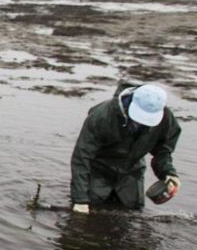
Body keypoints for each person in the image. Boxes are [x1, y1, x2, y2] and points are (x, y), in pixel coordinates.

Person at [70, 83, 181, 213]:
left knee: (134, 211)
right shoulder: (101, 116)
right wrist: (80, 200)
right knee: (88, 210)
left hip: (131, 171)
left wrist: (168, 172)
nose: (143, 122)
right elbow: (81, 158)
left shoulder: (166, 118)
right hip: (99, 170)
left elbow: (163, 151)